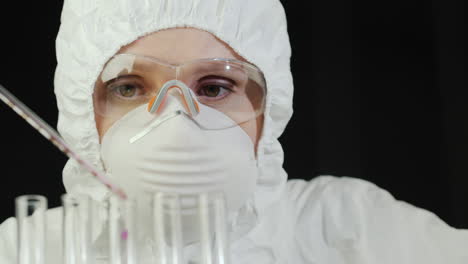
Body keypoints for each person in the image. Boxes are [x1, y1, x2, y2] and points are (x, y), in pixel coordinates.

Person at [1, 0, 468, 263]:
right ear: (83, 113)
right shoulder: (28, 251)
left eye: (215, 86)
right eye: (128, 87)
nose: (176, 122)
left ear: (270, 110)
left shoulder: (349, 230)